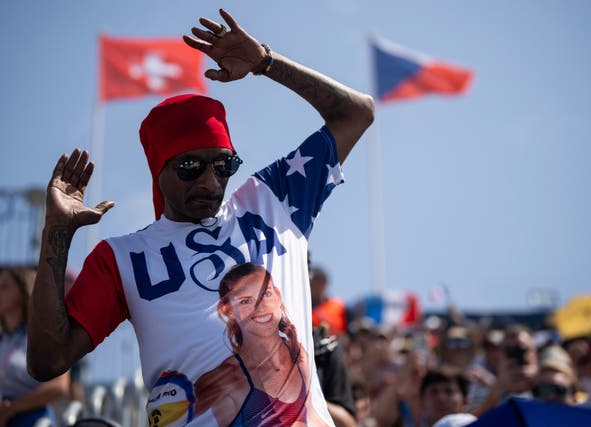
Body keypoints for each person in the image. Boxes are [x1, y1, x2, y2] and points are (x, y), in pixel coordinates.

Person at [26, 6, 374, 427]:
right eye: (190, 167)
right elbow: (47, 361)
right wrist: (55, 235)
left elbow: (357, 112)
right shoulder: (123, 257)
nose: (211, 181)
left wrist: (266, 62)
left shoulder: (270, 200)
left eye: (224, 165)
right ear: (159, 171)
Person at [194, 263, 328, 426]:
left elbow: (312, 416)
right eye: (245, 301)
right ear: (228, 311)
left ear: (278, 296)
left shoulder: (298, 354)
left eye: (266, 294)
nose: (260, 307)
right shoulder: (226, 378)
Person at [0, 267, 69, 426]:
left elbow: (59, 386)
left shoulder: (44, 336)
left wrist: (11, 408)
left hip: (34, 420)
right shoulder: (3, 338)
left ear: (23, 291)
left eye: (4, 287)